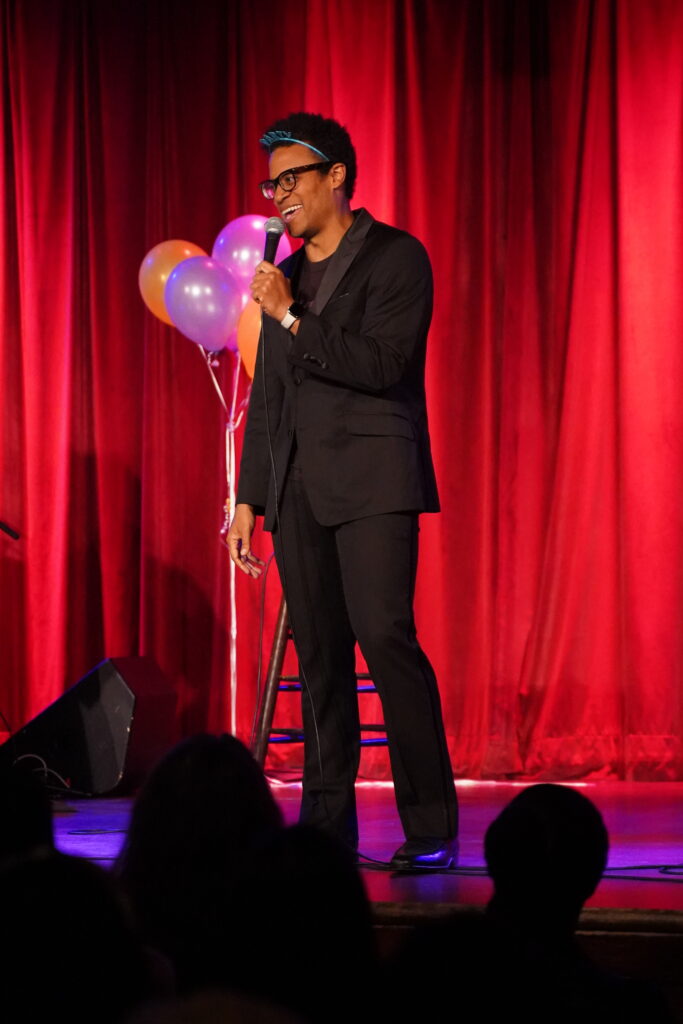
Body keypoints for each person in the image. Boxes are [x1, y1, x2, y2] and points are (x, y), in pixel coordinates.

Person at [227, 112, 458, 869]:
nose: (279, 194)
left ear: (336, 176)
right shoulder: (285, 277)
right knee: (320, 658)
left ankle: (431, 825)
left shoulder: (397, 258)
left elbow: (383, 364)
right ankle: (326, 831)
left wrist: (291, 317)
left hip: (374, 483)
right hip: (298, 488)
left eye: (292, 177)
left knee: (385, 641)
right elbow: (269, 395)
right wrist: (248, 499)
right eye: (272, 184)